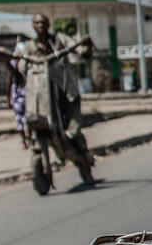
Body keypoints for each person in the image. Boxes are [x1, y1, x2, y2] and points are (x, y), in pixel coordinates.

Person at [16, 14, 95, 186]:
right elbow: (21, 67)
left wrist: (86, 45)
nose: (40, 26)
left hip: (64, 92)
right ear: (33, 25)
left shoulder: (59, 40)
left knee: (72, 129)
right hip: (39, 96)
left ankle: (83, 155)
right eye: (37, 23)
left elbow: (81, 52)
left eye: (43, 22)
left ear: (49, 24)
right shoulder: (29, 47)